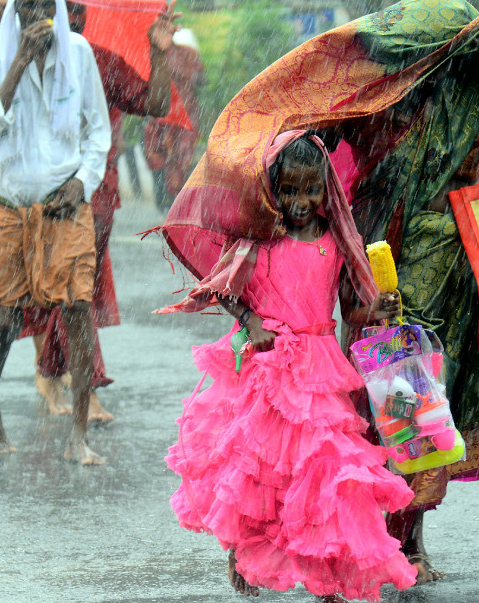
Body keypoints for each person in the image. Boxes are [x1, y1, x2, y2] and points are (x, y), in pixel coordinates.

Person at [162, 0, 479, 585]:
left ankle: (407, 538)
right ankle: (353, 536)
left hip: (447, 264)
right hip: (371, 260)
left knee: (423, 407)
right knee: (371, 405)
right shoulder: (379, 86)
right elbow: (305, 130)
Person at [160, 131, 417, 601]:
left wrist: (375, 311)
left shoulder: (338, 242)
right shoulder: (258, 239)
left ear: (327, 188)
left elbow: (348, 309)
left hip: (321, 372)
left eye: (311, 189)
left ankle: (327, 576)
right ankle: (242, 551)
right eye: (290, 190)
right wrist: (251, 321)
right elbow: (225, 289)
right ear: (271, 189)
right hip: (268, 371)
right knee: (259, 474)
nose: (301, 201)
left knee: (327, 472)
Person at [0, 0, 111, 465]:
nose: (37, 15)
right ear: (14, 11)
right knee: (6, 318)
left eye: (45, 5)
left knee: (77, 308)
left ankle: (78, 432)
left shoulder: (78, 55)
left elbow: (98, 131)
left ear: (58, 10)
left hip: (64, 205)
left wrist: (82, 182)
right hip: (10, 207)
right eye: (27, 6)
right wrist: (18, 64)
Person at [25, 0, 178, 422]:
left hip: (97, 192)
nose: (71, 25)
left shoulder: (101, 61)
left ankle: (64, 377)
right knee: (70, 287)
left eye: (79, 17)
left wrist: (158, 52)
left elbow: (156, 104)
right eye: (62, 15)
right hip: (44, 191)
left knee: (77, 287)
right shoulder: (25, 61)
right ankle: (74, 381)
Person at [144, 27, 205, 210]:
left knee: (169, 158)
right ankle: (172, 200)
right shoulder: (184, 55)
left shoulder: (163, 54)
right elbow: (201, 80)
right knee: (174, 158)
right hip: (171, 117)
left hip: (168, 116)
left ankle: (169, 199)